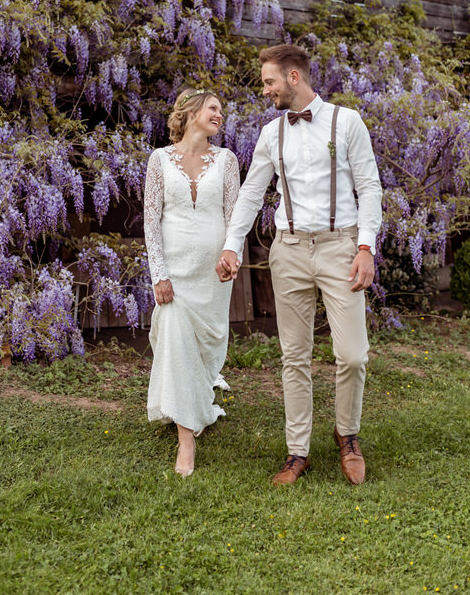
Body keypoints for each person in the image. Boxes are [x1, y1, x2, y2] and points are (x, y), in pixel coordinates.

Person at [216, 44, 382, 486]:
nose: (265, 89)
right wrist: (232, 245)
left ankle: (347, 435)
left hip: (339, 247)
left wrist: (365, 248)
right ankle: (297, 452)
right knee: (294, 356)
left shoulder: (347, 122)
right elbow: (253, 192)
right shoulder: (272, 133)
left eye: (269, 81)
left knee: (352, 354)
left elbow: (370, 188)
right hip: (287, 250)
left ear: (293, 78)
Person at [144, 88, 240, 477]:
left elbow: (235, 218)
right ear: (191, 112)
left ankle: (194, 401)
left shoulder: (228, 160)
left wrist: (232, 255)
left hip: (213, 275)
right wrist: (159, 274)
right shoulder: (159, 160)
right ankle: (186, 442)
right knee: (176, 333)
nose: (220, 114)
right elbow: (151, 221)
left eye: (221, 110)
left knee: (204, 348)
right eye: (213, 108)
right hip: (176, 273)